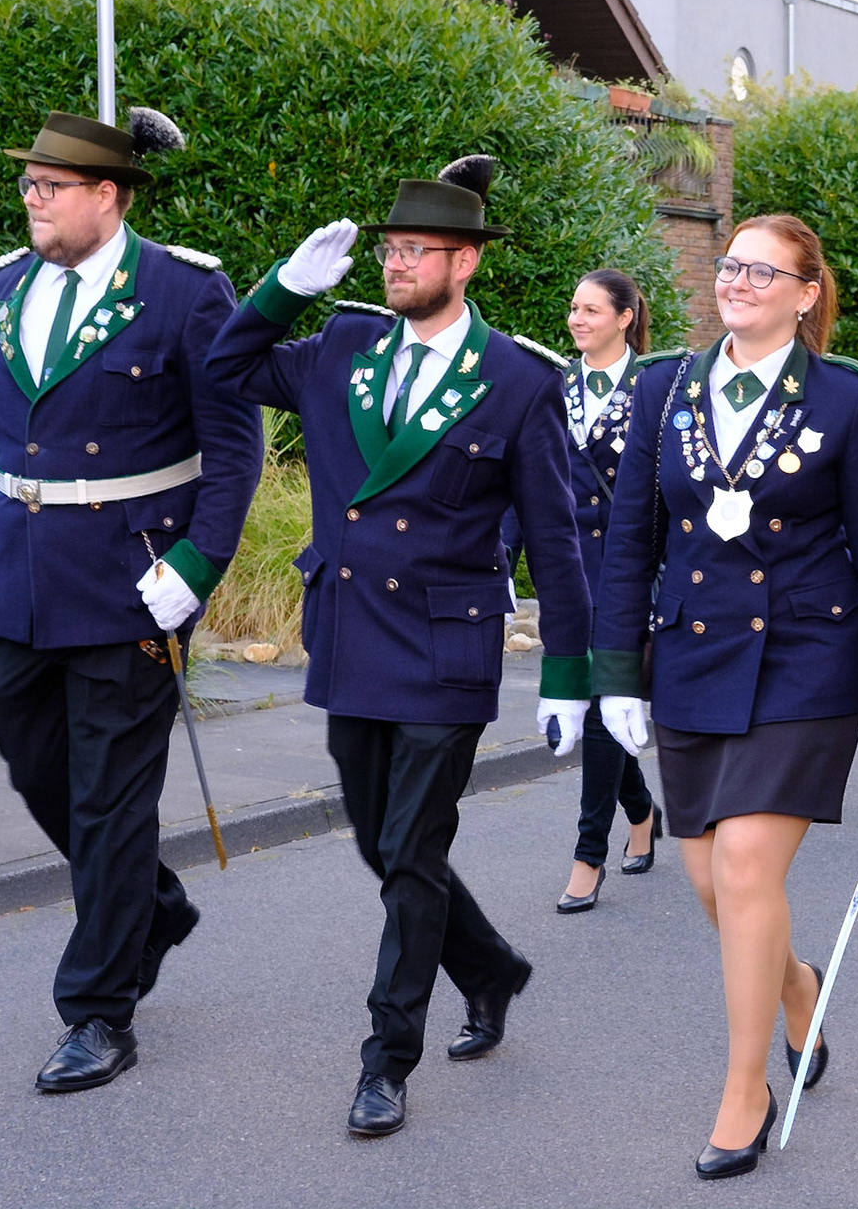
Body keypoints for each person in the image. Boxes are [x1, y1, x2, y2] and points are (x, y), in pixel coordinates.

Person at [206, 156, 592, 1138]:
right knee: (385, 840)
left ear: (464, 261)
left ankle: (388, 1056)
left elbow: (555, 539)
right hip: (349, 636)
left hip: (444, 647)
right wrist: (281, 288)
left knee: (413, 850)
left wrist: (569, 669)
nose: (394, 262)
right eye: (389, 248)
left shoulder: (515, 379)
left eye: (415, 249)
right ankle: (494, 965)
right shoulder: (340, 346)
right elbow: (223, 367)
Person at [0, 109, 264, 1091]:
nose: (32, 197)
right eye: (29, 182)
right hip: (19, 573)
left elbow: (235, 450)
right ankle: (149, 902)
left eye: (51, 185)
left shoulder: (185, 293)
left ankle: (99, 1009)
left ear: (108, 196)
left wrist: (196, 567)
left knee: (110, 797)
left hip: (130, 581)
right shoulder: (2, 287)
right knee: (34, 762)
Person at [590, 214, 858, 1181]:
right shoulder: (665, 387)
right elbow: (629, 542)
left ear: (807, 292)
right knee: (714, 883)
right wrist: (614, 672)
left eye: (760, 270)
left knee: (741, 864)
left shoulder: (849, 402)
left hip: (808, 657)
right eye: (730, 265)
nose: (735, 281)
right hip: (691, 658)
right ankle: (796, 986)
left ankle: (744, 1091)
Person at [555, 269, 664, 913]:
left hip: (628, 569)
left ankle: (587, 853)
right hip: (569, 569)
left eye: (591, 309)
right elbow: (530, 483)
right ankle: (642, 808)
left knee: (601, 701)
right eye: (573, 309)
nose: (577, 319)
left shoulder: (654, 387)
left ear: (625, 317)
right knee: (596, 701)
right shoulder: (553, 385)